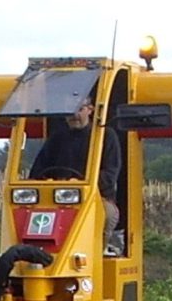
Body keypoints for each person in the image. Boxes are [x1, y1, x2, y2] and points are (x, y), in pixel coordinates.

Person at [29, 96, 122, 252]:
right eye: (70, 111)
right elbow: (37, 171)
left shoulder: (105, 136)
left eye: (79, 109)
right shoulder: (56, 139)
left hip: (96, 198)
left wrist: (80, 184)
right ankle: (35, 255)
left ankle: (97, 255)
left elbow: (110, 174)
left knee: (105, 214)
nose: (74, 115)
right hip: (55, 199)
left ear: (90, 110)